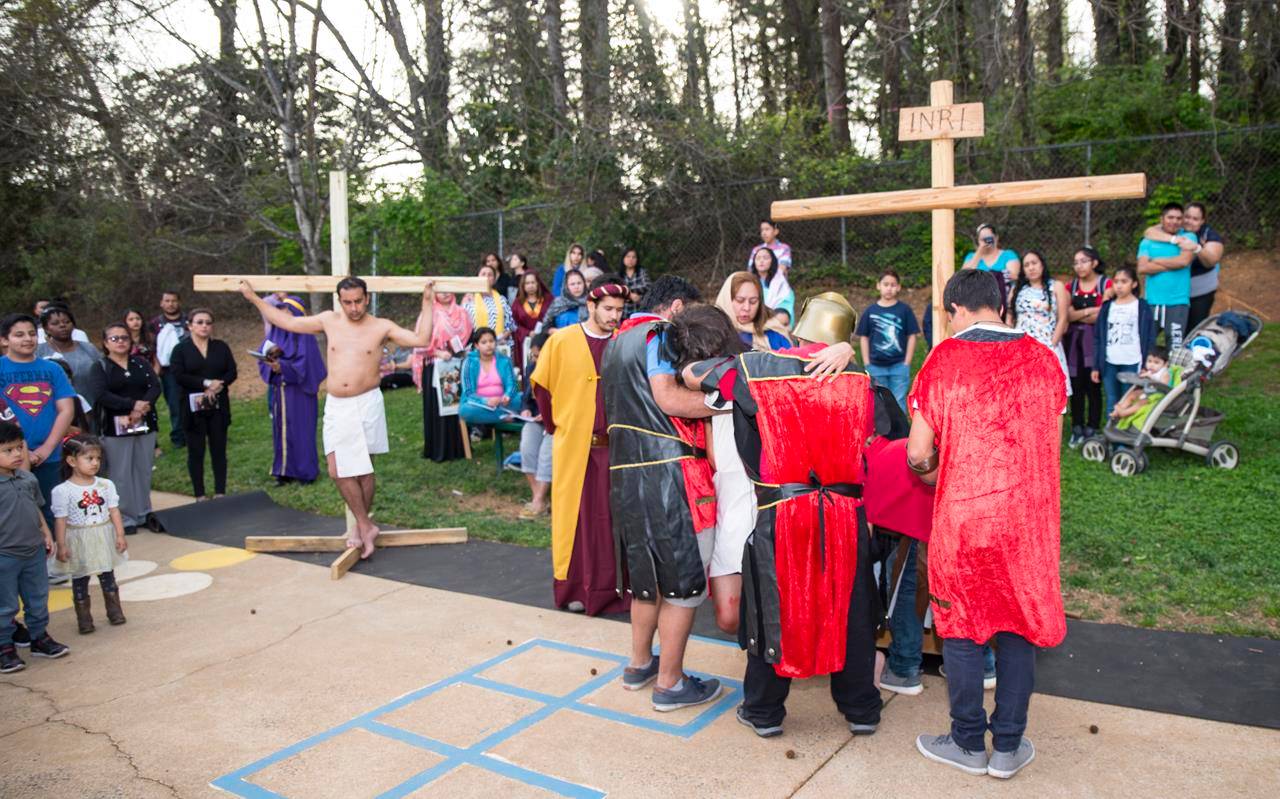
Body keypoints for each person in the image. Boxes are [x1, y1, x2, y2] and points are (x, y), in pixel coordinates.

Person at [676, 294, 880, 738]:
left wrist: (754, 357)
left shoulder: (760, 368)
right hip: (844, 513)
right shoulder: (859, 377)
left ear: (802, 330)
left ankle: (764, 711)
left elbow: (692, 374)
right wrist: (846, 355)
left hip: (783, 510)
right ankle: (861, 709)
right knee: (850, 608)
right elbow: (887, 429)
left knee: (774, 607)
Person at [908, 269, 1067, 780]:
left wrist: (939, 474)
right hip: (1026, 521)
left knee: (961, 627)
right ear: (999, 303)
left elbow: (918, 453)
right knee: (1019, 626)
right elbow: (1050, 446)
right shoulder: (1044, 359)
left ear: (955, 308)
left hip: (965, 517)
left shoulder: (943, 359)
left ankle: (967, 741)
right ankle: (1008, 747)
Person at [239, 277, 435, 559]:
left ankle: (360, 527)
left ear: (367, 298)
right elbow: (288, 322)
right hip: (336, 404)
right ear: (339, 301)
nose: (354, 308)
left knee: (364, 470)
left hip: (366, 401)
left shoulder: (381, 327)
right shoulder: (329, 320)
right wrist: (254, 298)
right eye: (347, 302)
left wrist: (427, 302)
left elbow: (421, 339)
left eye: (358, 301)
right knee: (336, 470)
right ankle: (366, 525)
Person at [603, 275, 724, 711]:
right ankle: (671, 683)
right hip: (671, 475)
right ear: (675, 307)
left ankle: (640, 663)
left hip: (626, 474)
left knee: (646, 580)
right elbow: (668, 399)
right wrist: (724, 401)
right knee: (682, 584)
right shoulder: (660, 334)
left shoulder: (616, 341)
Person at [530, 276, 630, 617]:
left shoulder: (623, 343)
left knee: (613, 520)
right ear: (590, 306)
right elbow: (542, 389)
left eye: (619, 309)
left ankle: (616, 591)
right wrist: (560, 426)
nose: (614, 315)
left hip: (615, 449)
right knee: (577, 521)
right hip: (575, 448)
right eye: (608, 309)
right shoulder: (562, 341)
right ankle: (575, 589)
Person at [0, 419, 70, 673]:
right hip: (5, 555)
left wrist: (45, 533)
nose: (17, 454)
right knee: (5, 604)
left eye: (19, 447)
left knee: (38, 598)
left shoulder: (27, 478)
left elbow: (35, 507)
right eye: (8, 450)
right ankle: (4, 646)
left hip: (33, 551)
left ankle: (39, 637)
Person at [0, 314, 76, 525]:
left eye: (32, 333)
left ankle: (53, 546)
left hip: (49, 455)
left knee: (53, 511)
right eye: (19, 335)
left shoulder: (52, 369)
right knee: (15, 514)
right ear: (4, 340)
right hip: (7, 457)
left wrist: (46, 449)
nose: (27, 339)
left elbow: (66, 410)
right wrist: (22, 450)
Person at [88, 323, 161, 533]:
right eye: (115, 338)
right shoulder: (100, 367)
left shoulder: (140, 363)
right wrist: (132, 405)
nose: (120, 341)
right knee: (120, 473)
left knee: (143, 470)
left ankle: (144, 512)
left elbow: (155, 386)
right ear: (105, 343)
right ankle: (126, 518)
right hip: (114, 428)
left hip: (144, 423)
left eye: (124, 338)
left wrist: (141, 407)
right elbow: (101, 394)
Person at [51, 435, 128, 634]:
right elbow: (60, 519)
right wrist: (61, 544)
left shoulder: (105, 485)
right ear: (71, 461)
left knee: (107, 573)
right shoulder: (63, 491)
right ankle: (84, 619)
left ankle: (115, 611)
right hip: (79, 538)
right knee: (80, 576)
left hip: (102, 535)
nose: (95, 463)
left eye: (98, 458)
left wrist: (120, 535)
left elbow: (114, 511)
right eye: (89, 458)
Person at [255, 295, 326, 485]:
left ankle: (305, 473)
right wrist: (269, 363)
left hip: (300, 393)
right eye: (279, 310)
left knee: (301, 432)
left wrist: (283, 368)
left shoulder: (305, 335)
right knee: (281, 432)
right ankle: (284, 471)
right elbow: (263, 353)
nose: (281, 314)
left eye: (285, 310)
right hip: (280, 392)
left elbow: (307, 365)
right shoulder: (275, 333)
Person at [169, 309, 237, 502]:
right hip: (192, 408)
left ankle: (220, 492)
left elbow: (231, 371)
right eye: (199, 322)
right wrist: (206, 383)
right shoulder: (180, 349)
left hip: (218, 406)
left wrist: (219, 384)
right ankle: (199, 494)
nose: (204, 326)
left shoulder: (221, 347)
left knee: (219, 450)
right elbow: (178, 375)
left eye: (208, 322)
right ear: (190, 325)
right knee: (196, 451)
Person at [1142, 202, 1224, 331]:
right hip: (1174, 292)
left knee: (1192, 330)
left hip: (1200, 292)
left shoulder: (1208, 235)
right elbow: (1149, 232)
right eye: (1187, 217)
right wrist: (1174, 240)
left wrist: (1197, 248)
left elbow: (1212, 260)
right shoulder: (1176, 228)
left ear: (1202, 221)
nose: (1189, 222)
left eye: (1195, 219)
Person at [412, 292, 471, 463]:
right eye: (441, 290)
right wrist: (437, 352)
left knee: (456, 404)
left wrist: (457, 352)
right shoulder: (429, 313)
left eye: (447, 290)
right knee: (438, 407)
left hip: (456, 365)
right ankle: (438, 448)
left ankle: (459, 446)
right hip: (435, 366)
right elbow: (419, 341)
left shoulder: (462, 312)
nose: (445, 294)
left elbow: (468, 337)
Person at [1063, 248, 1114, 447]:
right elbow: (1068, 315)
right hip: (1074, 345)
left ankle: (1092, 426)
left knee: (1093, 386)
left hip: (1096, 343)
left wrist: (1080, 314)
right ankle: (1077, 427)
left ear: (1094, 262)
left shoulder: (1106, 284)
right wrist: (1091, 311)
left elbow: (1105, 314)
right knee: (1076, 385)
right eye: (1076, 262)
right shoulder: (1071, 286)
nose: (1079, 266)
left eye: (1083, 261)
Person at [1091, 266, 1156, 416]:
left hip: (1132, 361)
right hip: (1110, 362)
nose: (1119, 286)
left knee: (1129, 400)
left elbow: (1150, 336)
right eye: (1116, 282)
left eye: (1124, 281)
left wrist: (1146, 364)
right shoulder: (1107, 307)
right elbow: (1098, 337)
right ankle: (1111, 430)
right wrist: (1096, 366)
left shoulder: (1141, 306)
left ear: (1134, 284)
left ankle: (1125, 431)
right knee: (1112, 401)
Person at [1007, 250, 1071, 396]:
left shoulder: (1056, 286)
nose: (1031, 267)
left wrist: (1052, 345)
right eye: (1027, 265)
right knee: (1024, 394)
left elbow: (1062, 318)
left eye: (1034, 263)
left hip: (1047, 346)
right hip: (1021, 348)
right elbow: (1010, 318)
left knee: (1051, 395)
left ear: (1042, 265)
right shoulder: (1017, 289)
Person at [855, 269, 921, 411]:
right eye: (886, 284)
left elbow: (912, 336)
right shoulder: (870, 311)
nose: (889, 288)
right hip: (875, 366)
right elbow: (864, 337)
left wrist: (907, 362)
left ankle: (898, 426)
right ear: (878, 286)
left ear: (898, 287)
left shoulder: (904, 310)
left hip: (899, 366)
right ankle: (882, 426)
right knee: (878, 402)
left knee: (898, 400)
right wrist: (867, 362)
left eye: (893, 285)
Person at [1137, 202, 1198, 349]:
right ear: (1162, 219)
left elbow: (1184, 261)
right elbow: (1142, 267)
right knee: (1145, 345)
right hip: (1152, 302)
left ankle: (1171, 366)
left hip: (1178, 302)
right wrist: (1172, 264)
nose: (1174, 221)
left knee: (1175, 347)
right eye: (1170, 217)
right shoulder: (1148, 241)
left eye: (1178, 218)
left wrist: (1156, 261)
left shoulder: (1188, 237)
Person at [36, 305, 103, 429]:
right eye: (55, 323)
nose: (62, 325)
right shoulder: (39, 351)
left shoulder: (88, 348)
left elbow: (103, 374)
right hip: (54, 413)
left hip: (92, 410)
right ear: (46, 328)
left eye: (67, 322)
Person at [517, 332, 553, 518]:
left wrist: (547, 415)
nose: (536, 360)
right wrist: (526, 410)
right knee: (527, 447)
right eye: (534, 356)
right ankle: (538, 497)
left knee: (547, 453)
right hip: (536, 420)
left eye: (540, 356)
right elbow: (526, 398)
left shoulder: (562, 369)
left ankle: (538, 501)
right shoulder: (531, 368)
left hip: (556, 423)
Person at [149, 291, 190, 448]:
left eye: (174, 300)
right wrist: (156, 367)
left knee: (193, 401)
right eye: (167, 300)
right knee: (175, 404)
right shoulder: (155, 324)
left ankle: (196, 433)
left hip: (189, 367)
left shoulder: (189, 320)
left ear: (179, 302)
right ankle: (178, 437)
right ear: (161, 303)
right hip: (169, 370)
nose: (171, 304)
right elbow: (153, 347)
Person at [459, 328, 522, 425]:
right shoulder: (469, 362)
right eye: (484, 342)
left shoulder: (504, 360)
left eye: (491, 341)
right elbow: (468, 392)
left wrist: (507, 396)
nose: (488, 345)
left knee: (522, 397)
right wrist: (486, 401)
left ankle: (498, 415)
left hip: (502, 402)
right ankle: (502, 417)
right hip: (480, 405)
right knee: (466, 411)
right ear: (476, 345)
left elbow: (512, 384)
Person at [715, 272, 791, 351]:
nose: (747, 308)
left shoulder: (773, 332)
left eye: (753, 301)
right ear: (726, 300)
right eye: (740, 300)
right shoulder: (713, 333)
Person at [1110, 347, 1171, 430]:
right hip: (1148, 392)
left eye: (1156, 362)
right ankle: (1117, 411)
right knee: (1133, 394)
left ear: (1165, 364)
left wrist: (1151, 377)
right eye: (1149, 361)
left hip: (1158, 396)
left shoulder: (1165, 373)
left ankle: (1124, 412)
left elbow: (1163, 386)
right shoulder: (1150, 371)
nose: (1151, 365)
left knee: (1141, 402)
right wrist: (1142, 376)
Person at [465, 263, 515, 346]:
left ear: (494, 280)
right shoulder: (469, 299)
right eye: (483, 274)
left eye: (490, 275)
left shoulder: (502, 300)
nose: (486, 277)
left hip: (500, 344)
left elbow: (510, 325)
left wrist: (498, 339)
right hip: (477, 346)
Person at [511, 271, 550, 373]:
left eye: (533, 282)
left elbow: (553, 319)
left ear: (538, 283)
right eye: (527, 283)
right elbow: (514, 324)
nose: (530, 286)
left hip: (545, 339)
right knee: (528, 368)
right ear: (523, 286)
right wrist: (528, 332)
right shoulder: (517, 303)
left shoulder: (548, 300)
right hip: (525, 341)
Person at [749, 246, 796, 327]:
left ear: (772, 261)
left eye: (765, 258)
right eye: (758, 258)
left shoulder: (780, 282)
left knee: (781, 317)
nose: (761, 261)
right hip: (754, 316)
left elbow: (785, 304)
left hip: (776, 315)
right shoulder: (749, 281)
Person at [620, 248, 650, 317]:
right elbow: (617, 290)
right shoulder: (618, 275)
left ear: (637, 260)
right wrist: (629, 294)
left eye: (634, 257)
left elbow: (647, 286)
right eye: (628, 256)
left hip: (640, 310)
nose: (631, 259)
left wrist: (627, 290)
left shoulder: (642, 272)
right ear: (623, 259)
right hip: (623, 312)